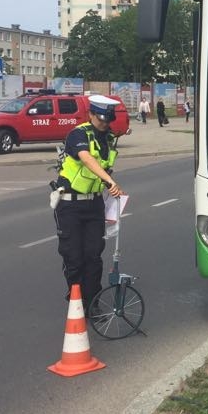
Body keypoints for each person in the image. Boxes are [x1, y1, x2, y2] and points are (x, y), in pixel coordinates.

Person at [52, 95, 125, 315]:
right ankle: (76, 300)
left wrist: (108, 185)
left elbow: (103, 165)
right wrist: (110, 181)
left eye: (107, 120)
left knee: (93, 256)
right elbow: (86, 159)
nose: (104, 123)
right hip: (69, 205)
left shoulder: (108, 138)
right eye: (100, 118)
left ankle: (93, 303)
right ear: (91, 114)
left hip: (94, 204)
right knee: (73, 256)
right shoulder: (77, 134)